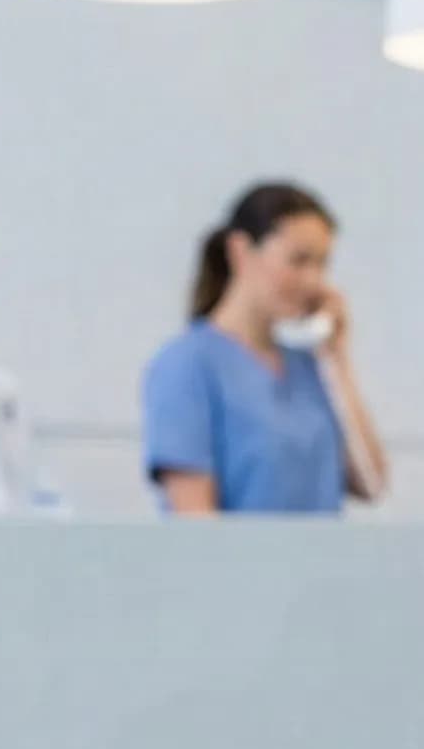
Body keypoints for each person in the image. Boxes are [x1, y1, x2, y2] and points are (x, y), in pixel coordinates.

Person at [141, 182, 389, 514]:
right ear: (241, 251)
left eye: (322, 264)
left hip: (323, 565)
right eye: (298, 261)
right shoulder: (188, 365)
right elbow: (194, 523)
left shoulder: (309, 367)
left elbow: (371, 485)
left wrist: (337, 360)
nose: (313, 281)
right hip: (239, 565)